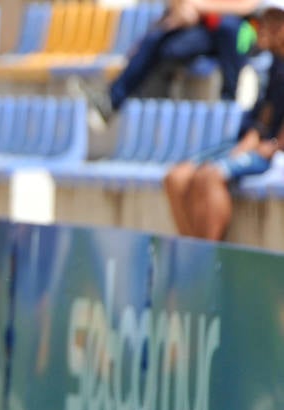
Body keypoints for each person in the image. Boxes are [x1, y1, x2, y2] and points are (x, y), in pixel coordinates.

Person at [163, 0, 284, 240]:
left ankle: (208, 257)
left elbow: (272, 138)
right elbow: (264, 117)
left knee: (210, 176)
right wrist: (249, 142)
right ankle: (195, 256)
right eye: (263, 20)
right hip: (255, 141)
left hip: (272, 152)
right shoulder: (273, 64)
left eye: (274, 21)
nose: (263, 27)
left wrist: (269, 146)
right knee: (176, 177)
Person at [79, 0, 256, 128]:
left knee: (229, 28)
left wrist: (200, 6)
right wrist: (183, 11)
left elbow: (248, 5)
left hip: (237, 34)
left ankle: (228, 103)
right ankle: (112, 100)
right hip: (199, 32)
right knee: (155, 40)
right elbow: (181, 8)